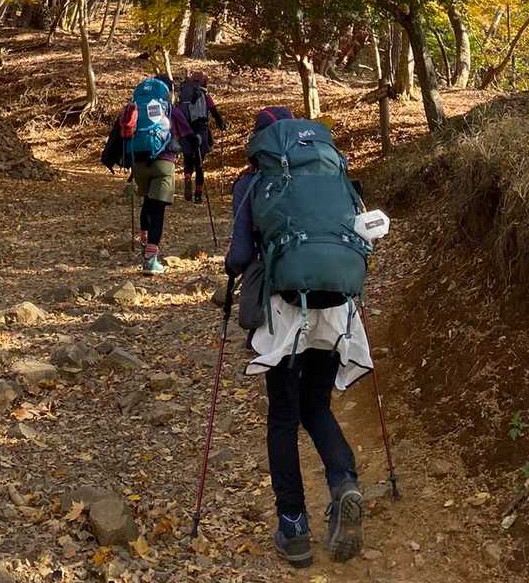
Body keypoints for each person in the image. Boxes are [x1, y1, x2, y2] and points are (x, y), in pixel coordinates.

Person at [225, 105, 370, 568]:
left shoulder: (252, 182)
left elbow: (239, 255)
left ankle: (293, 527)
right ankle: (344, 481)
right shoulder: (332, 175)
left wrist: (232, 273)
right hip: (335, 307)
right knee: (317, 406)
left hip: (285, 312)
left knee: (284, 416)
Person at [101, 76, 195, 275]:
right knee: (157, 209)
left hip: (139, 164)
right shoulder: (169, 109)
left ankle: (144, 245)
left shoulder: (135, 107)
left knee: (147, 202)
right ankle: (151, 260)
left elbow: (119, 133)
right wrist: (196, 148)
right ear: (168, 92)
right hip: (163, 163)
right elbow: (188, 136)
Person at [176, 69, 226, 203]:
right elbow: (214, 112)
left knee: (188, 159)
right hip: (201, 130)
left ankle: (187, 176)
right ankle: (198, 195)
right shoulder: (205, 95)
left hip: (186, 131)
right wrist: (221, 125)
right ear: (204, 82)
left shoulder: (184, 94)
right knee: (199, 164)